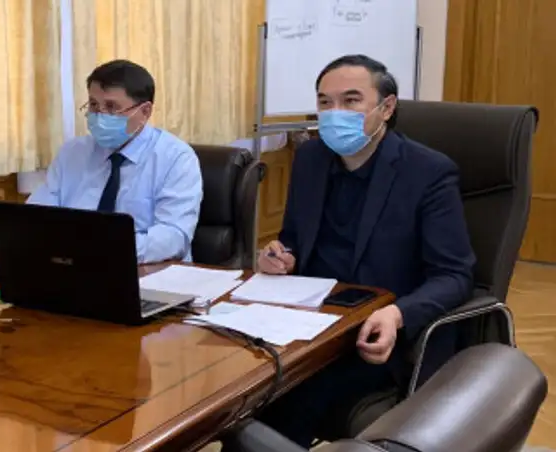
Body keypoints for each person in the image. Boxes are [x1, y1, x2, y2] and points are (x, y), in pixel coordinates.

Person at [255, 55, 475, 447]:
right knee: (244, 374)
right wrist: (279, 256)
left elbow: (454, 275)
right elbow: (293, 238)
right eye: (325, 102)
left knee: (281, 395)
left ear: (386, 108)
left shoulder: (428, 172)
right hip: (308, 320)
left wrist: (397, 314)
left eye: (351, 100)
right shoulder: (310, 158)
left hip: (376, 329)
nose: (334, 113)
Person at [28, 60, 203, 264]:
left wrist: (104, 249)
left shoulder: (176, 158)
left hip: (147, 269)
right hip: (73, 266)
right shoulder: (73, 152)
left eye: (111, 107)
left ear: (145, 112)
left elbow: (174, 237)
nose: (99, 116)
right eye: (94, 105)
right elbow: (36, 215)